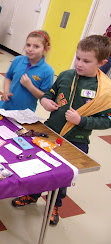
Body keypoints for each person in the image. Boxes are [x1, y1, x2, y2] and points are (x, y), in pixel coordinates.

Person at [12, 35, 111, 226]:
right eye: (78, 58)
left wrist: (82, 120)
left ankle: (54, 204)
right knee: (39, 168)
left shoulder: (104, 91)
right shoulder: (66, 75)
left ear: (102, 63)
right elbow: (51, 93)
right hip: (50, 132)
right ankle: (32, 195)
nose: (79, 64)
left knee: (63, 176)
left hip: (76, 140)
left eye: (86, 61)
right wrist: (45, 100)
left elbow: (107, 120)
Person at [0, 30, 53, 112]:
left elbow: (45, 96)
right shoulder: (17, 60)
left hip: (25, 112)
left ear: (46, 49)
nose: (30, 49)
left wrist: (30, 86)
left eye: (36, 46)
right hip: (5, 107)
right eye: (28, 45)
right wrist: (6, 91)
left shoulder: (48, 71)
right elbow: (8, 77)